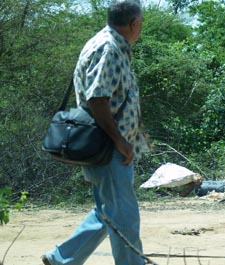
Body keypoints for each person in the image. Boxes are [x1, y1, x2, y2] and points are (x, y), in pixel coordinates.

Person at [42, 0, 148, 264]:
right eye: (141, 24)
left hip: (109, 146)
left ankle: (61, 258)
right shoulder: (109, 48)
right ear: (134, 23)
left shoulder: (109, 44)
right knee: (124, 216)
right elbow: (97, 99)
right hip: (108, 148)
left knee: (108, 211)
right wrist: (120, 141)